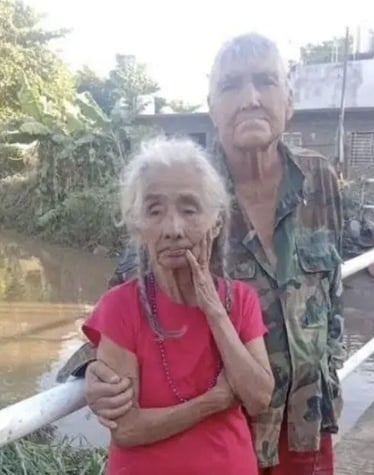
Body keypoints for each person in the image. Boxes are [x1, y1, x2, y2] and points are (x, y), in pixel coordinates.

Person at [58, 33, 345, 474]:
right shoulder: (187, 189)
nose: (250, 98)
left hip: (307, 423)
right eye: (231, 85)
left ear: (289, 100)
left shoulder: (319, 179)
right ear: (212, 107)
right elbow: (127, 298)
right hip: (229, 433)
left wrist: (332, 369)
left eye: (265, 81)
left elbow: (334, 296)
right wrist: (95, 369)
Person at [80, 137, 274, 475]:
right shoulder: (120, 307)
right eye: (155, 211)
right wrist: (213, 400)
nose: (173, 229)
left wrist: (214, 309)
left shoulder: (240, 299)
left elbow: (258, 398)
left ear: (216, 222)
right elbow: (127, 428)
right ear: (138, 226)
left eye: (189, 209)